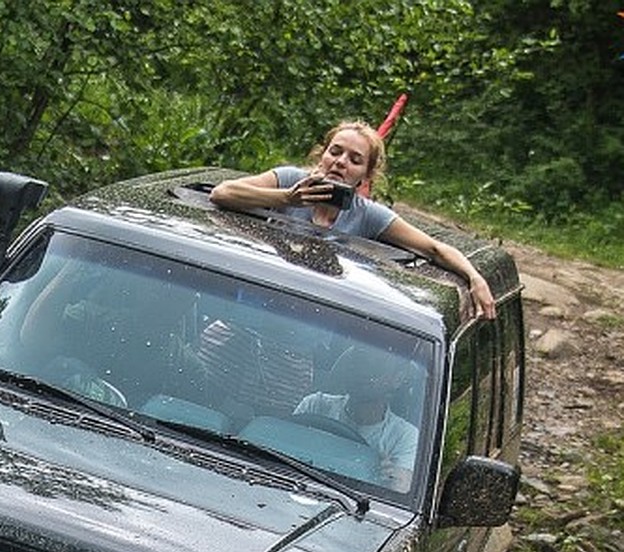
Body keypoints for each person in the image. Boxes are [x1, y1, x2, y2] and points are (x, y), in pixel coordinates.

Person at [209, 121, 497, 321]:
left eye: (355, 159)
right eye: (335, 152)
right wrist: (286, 199)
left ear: (366, 175)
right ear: (321, 154)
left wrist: (474, 278)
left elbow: (434, 249)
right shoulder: (289, 180)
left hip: (309, 319)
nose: (341, 162)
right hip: (252, 304)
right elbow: (222, 192)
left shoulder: (367, 214)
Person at [293, 345, 419, 492]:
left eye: (376, 366)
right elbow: (283, 451)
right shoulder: (315, 405)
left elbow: (398, 492)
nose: (363, 371)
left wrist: (391, 479)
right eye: (358, 361)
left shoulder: (405, 437)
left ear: (397, 379)